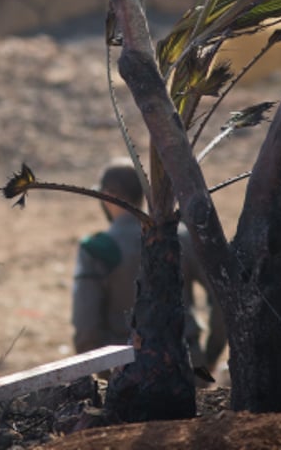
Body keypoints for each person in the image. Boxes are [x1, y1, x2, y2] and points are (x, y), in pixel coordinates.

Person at [71, 158, 226, 376]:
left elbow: (86, 330)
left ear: (108, 196)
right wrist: (209, 356)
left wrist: (106, 376)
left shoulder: (96, 248)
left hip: (126, 375)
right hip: (187, 368)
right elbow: (222, 297)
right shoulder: (182, 236)